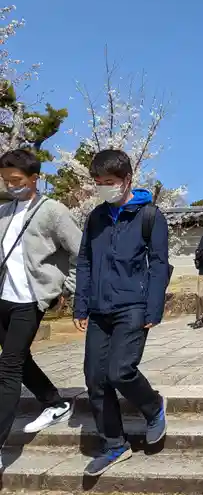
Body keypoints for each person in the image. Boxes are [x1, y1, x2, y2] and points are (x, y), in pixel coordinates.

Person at [73, 149, 170, 477]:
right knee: (95, 378)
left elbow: (158, 265)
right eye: (98, 183)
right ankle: (114, 444)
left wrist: (153, 307)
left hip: (132, 305)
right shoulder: (96, 218)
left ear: (127, 179)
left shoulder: (150, 216)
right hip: (99, 308)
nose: (104, 188)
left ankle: (153, 406)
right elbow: (84, 260)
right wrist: (80, 304)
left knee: (121, 370)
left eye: (110, 182)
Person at [0, 149, 82, 469]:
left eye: (16, 180)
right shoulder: (4, 210)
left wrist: (65, 288)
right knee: (17, 358)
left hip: (29, 302)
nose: (10, 185)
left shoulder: (54, 212)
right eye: (6, 180)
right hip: (3, 297)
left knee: (8, 368)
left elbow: (80, 252)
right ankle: (55, 402)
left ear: (35, 178)